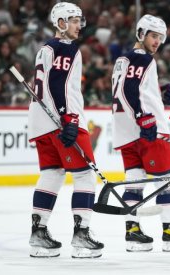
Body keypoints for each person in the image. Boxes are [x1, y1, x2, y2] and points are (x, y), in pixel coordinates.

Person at [28, 2, 103, 258]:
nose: (78, 25)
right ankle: (82, 236)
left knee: (52, 174)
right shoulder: (66, 47)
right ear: (60, 23)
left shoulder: (45, 48)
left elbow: (48, 83)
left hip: (41, 122)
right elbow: (58, 84)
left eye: (79, 20)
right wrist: (69, 118)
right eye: (73, 20)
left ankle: (38, 234)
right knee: (85, 177)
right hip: (63, 120)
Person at [111, 14, 170, 253]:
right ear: (141, 34)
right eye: (153, 36)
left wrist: (160, 91)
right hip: (148, 131)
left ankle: (132, 232)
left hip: (125, 131)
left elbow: (133, 89)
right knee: (167, 182)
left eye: (161, 38)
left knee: (134, 182)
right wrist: (144, 117)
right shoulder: (142, 58)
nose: (157, 41)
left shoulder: (123, 59)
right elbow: (129, 89)